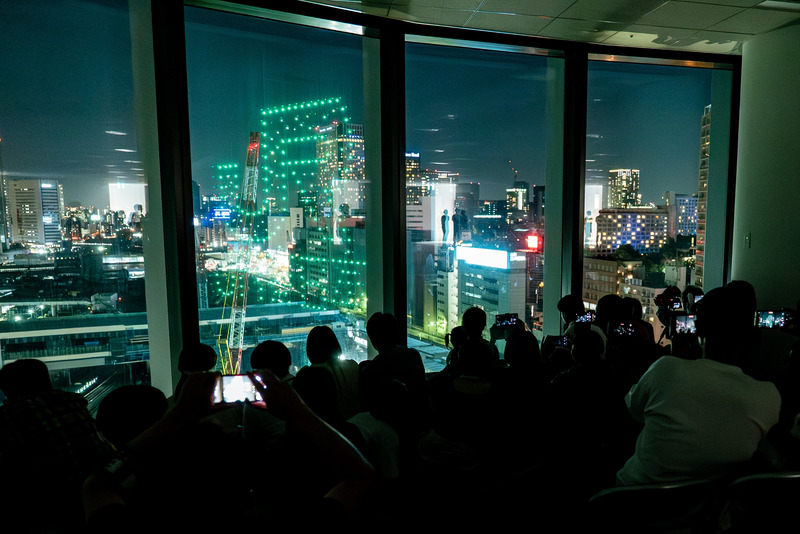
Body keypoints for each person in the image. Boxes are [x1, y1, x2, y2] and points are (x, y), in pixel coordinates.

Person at [82, 370, 376, 532]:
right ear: (249, 489)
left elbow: (97, 484)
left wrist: (177, 416)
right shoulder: (300, 529)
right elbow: (359, 476)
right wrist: (299, 412)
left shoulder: (130, 533)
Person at [616, 285, 781, 486]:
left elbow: (633, 410)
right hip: (712, 503)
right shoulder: (769, 396)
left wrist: (675, 359)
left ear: (697, 328)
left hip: (632, 496)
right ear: (752, 332)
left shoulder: (666, 369)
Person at [0, 359, 115, 533]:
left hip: (54, 509)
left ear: (7, 390)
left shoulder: (7, 417)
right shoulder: (73, 402)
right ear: (48, 381)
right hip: (105, 490)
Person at [294, 326, 360, 420]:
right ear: (335, 344)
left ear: (310, 349)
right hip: (356, 422)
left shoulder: (306, 376)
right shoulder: (352, 366)